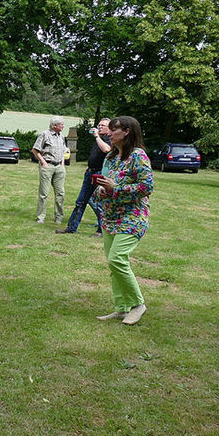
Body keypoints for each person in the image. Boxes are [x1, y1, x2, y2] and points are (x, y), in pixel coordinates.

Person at [92, 116, 154, 325]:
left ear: (126, 131)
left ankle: (138, 304)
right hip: (110, 217)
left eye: (113, 130)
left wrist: (115, 188)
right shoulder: (110, 157)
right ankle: (121, 308)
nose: (109, 133)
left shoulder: (138, 156)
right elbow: (105, 184)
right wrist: (102, 190)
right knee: (114, 264)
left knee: (117, 259)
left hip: (133, 217)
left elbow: (147, 188)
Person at [56, 118, 112, 236]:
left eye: (103, 125)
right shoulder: (98, 139)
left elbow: (107, 149)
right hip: (90, 173)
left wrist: (97, 136)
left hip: (101, 174)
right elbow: (95, 155)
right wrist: (88, 166)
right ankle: (72, 227)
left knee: (100, 202)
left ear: (109, 128)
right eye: (99, 125)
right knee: (80, 201)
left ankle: (101, 230)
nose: (100, 127)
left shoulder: (108, 139)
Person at [32, 116, 69, 224]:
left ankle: (59, 217)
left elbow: (63, 150)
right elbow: (35, 150)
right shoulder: (45, 134)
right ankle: (41, 217)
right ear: (55, 125)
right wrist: (43, 163)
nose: (63, 126)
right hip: (47, 166)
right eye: (62, 124)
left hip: (59, 167)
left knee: (60, 193)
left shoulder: (61, 136)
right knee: (44, 193)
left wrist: (62, 163)